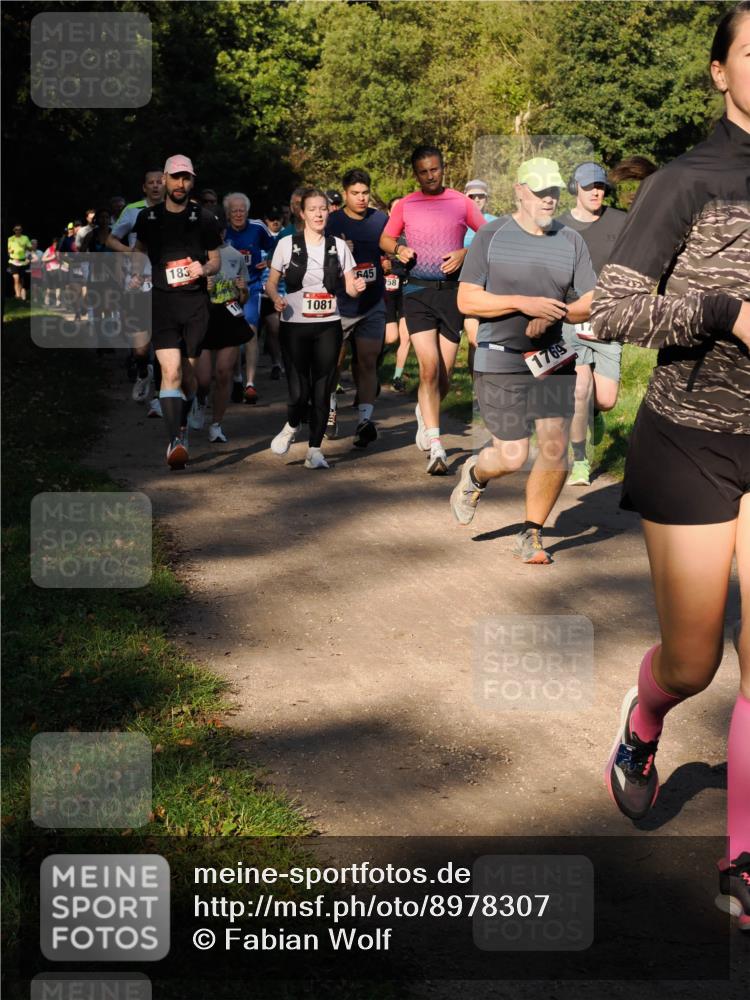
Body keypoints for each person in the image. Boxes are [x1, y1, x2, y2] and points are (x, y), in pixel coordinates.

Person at [594, 2, 750, 928]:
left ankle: (744, 856)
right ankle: (646, 721)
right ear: (720, 72)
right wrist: (723, 313)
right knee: (694, 662)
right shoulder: (686, 182)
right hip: (692, 436)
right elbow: (615, 310)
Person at [450, 156, 596, 563]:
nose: (549, 200)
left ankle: (531, 533)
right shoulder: (491, 236)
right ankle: (476, 474)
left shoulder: (571, 240)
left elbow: (591, 297)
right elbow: (466, 299)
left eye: (554, 192)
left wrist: (557, 313)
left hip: (551, 355)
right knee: (512, 455)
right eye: (540, 192)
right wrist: (522, 304)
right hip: (501, 356)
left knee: (554, 448)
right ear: (519, 191)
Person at [380, 145, 486, 474]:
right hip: (417, 293)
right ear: (416, 174)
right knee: (427, 368)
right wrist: (399, 248)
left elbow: (487, 236)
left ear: (443, 168)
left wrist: (464, 254)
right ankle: (437, 446)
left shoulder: (460, 202)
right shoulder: (408, 204)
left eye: (435, 170)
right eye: (423, 172)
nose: (430, 176)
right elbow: (385, 239)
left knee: (442, 377)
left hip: (452, 295)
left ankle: (424, 412)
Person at [119, 154, 221, 469]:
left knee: (190, 376)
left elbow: (215, 261)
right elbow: (139, 253)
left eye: (186, 178)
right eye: (175, 177)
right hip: (162, 302)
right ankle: (175, 440)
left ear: (192, 181)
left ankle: (184, 420)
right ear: (164, 179)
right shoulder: (147, 218)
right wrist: (136, 273)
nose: (181, 184)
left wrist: (202, 268)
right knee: (171, 371)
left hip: (194, 305)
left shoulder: (204, 218)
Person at [265, 187, 365, 469]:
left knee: (322, 389)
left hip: (328, 325)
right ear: (302, 213)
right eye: (313, 209)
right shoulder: (287, 244)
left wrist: (357, 288)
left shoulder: (339, 246)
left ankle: (314, 450)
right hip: (294, 325)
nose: (319, 213)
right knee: (299, 392)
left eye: (323, 208)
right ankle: (291, 425)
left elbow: (351, 288)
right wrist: (275, 298)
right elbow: (271, 283)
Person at [557, 162, 627, 485]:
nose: (596, 191)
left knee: (605, 399)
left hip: (608, 320)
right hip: (570, 319)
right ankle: (581, 461)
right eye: (589, 186)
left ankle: (595, 413)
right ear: (576, 189)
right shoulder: (557, 227)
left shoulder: (620, 220)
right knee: (579, 390)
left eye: (600, 186)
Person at [326, 168, 388, 447]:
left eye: (365, 193)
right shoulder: (333, 222)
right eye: (355, 193)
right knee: (335, 362)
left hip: (373, 301)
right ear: (345, 193)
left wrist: (390, 258)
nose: (361, 198)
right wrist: (338, 252)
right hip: (340, 304)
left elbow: (391, 249)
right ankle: (329, 410)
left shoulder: (380, 220)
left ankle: (364, 420)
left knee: (367, 360)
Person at [109, 167, 166, 409]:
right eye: (150, 182)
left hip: (165, 281)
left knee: (165, 342)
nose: (155, 186)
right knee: (141, 348)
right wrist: (130, 252)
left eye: (159, 182)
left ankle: (162, 396)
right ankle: (144, 370)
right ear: (144, 187)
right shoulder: (132, 210)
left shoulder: (177, 209)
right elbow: (112, 239)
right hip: (137, 282)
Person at [192, 212, 250, 443]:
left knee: (224, 373)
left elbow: (244, 297)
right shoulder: (196, 254)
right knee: (204, 379)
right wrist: (202, 287)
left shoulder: (235, 256)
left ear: (225, 232)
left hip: (229, 316)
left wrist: (242, 290)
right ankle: (199, 400)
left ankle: (216, 424)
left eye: (219, 230)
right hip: (204, 317)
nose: (215, 234)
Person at [223, 192, 276, 404]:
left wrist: (270, 261)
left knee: (251, 333)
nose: (238, 214)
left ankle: (250, 383)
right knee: (234, 337)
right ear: (228, 213)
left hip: (252, 287)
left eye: (242, 210)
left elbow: (276, 246)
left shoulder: (257, 227)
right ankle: (236, 377)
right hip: (226, 290)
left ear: (247, 211)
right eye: (234, 211)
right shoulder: (222, 231)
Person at [7, 224, 32, 300]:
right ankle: (17, 295)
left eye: (19, 229)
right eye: (16, 229)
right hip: (13, 261)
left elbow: (30, 249)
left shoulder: (25, 238)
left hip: (22, 262)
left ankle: (20, 295)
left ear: (21, 230)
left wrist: (25, 246)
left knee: (21, 279)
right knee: (16, 278)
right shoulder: (10, 239)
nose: (18, 231)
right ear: (14, 231)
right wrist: (9, 251)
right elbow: (8, 250)